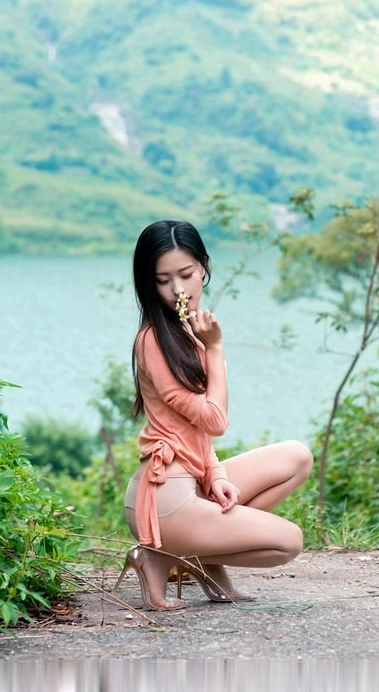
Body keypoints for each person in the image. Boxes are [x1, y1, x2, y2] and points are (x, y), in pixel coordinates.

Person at [114, 220, 313, 610]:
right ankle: (162, 555)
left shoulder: (188, 331)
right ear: (149, 284)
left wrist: (217, 476)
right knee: (289, 542)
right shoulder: (153, 339)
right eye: (163, 280)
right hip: (164, 499)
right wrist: (216, 349)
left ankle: (196, 557)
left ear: (203, 266)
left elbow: (197, 435)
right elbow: (215, 421)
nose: (178, 289)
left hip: (191, 479)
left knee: (297, 456)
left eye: (186, 274)